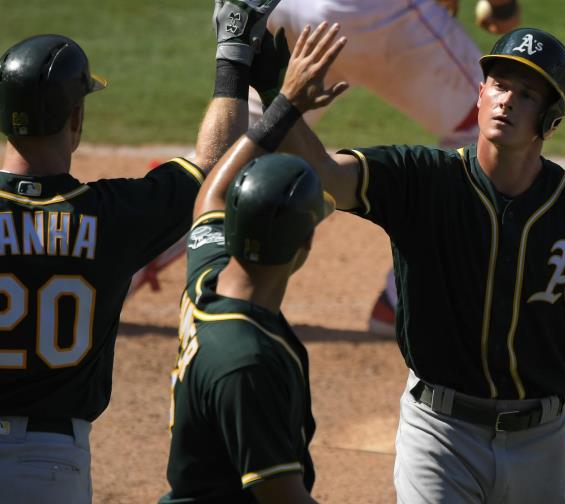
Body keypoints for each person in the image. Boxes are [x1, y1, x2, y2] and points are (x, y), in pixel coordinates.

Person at [280, 27, 565, 502]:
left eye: (528, 94)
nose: (508, 100)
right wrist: (283, 102)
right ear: (480, 92)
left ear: (551, 120)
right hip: (440, 435)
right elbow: (327, 175)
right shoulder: (422, 180)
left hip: (541, 444)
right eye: (500, 85)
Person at [0, 34, 207, 503]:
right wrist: (235, 62)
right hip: (48, 469)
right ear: (76, 116)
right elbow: (210, 164)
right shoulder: (113, 216)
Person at [126, 0, 524, 313]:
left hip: (281, 8)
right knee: (490, 120)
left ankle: (129, 258)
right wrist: (503, 7)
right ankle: (402, 300)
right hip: (369, 13)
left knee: (246, 143)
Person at [159, 6, 348, 504]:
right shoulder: (249, 361)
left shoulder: (210, 279)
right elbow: (282, 495)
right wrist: (276, 95)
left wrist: (278, 99)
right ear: (305, 246)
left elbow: (210, 192)